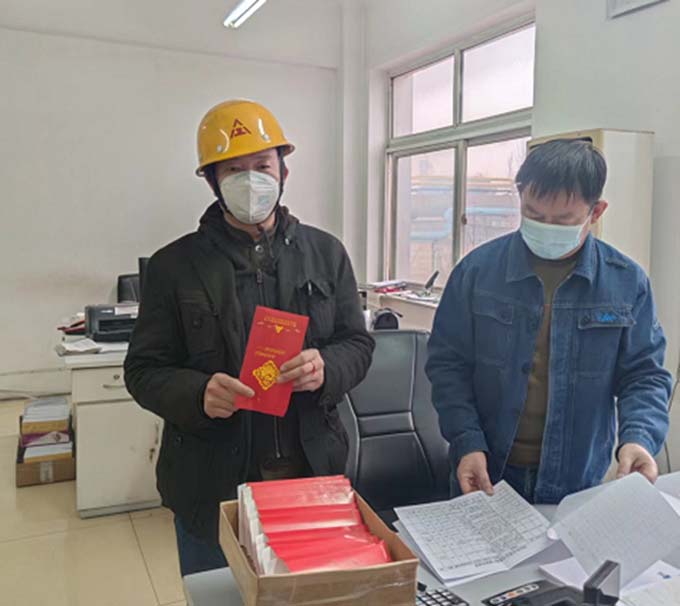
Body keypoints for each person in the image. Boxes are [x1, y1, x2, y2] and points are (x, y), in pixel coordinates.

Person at [124, 99, 374, 575]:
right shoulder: (174, 266)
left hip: (311, 476)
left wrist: (326, 366)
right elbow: (142, 370)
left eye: (262, 165)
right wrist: (198, 393)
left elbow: (358, 345)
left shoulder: (326, 253)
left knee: (309, 596)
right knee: (218, 595)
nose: (252, 180)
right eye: (234, 170)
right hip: (211, 484)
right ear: (212, 182)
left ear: (283, 170)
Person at [427, 138, 672, 504]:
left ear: (596, 211)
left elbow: (644, 374)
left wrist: (638, 438)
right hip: (485, 467)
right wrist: (466, 441)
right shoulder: (476, 273)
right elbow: (448, 366)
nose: (545, 227)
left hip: (577, 479)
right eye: (534, 215)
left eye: (562, 220)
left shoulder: (626, 282)